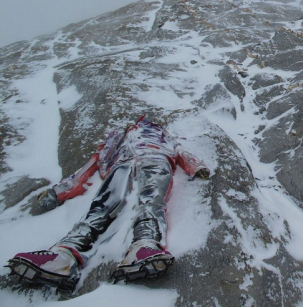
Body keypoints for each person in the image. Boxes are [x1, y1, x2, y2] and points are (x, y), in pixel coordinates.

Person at [6, 115, 210, 292]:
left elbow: (180, 150)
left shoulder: (161, 135)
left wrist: (195, 166)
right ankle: (64, 254)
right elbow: (91, 164)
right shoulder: (117, 138)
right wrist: (58, 192)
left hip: (156, 158)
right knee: (102, 207)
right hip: (122, 163)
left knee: (151, 200)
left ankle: (145, 245)